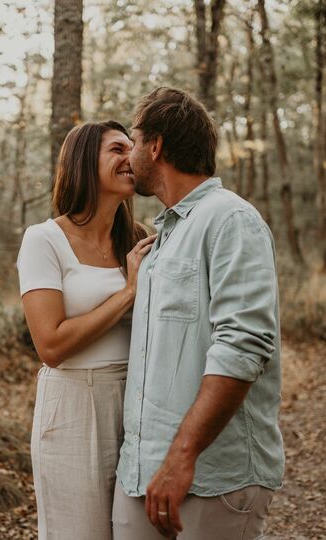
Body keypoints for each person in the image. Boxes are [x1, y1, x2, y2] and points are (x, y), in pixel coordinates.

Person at [112, 88, 285, 540]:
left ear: (156, 145)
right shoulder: (162, 237)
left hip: (212, 477)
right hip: (141, 474)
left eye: (132, 141)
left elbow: (242, 347)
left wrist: (182, 456)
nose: (129, 155)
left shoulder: (230, 220)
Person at [16, 120, 155, 540]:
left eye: (132, 148)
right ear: (82, 162)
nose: (130, 157)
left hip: (138, 403)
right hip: (74, 404)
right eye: (117, 149)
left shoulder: (138, 240)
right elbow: (51, 345)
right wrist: (129, 291)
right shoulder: (44, 240)